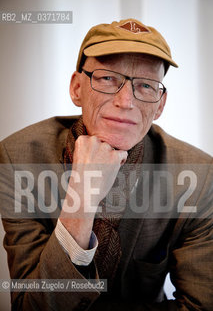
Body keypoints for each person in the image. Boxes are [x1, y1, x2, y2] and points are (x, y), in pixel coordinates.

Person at [0, 18, 212, 311]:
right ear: (76, 88)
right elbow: (31, 306)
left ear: (160, 105)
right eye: (108, 78)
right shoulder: (17, 158)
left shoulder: (200, 177)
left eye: (146, 85)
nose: (126, 101)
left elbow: (201, 305)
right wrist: (82, 198)